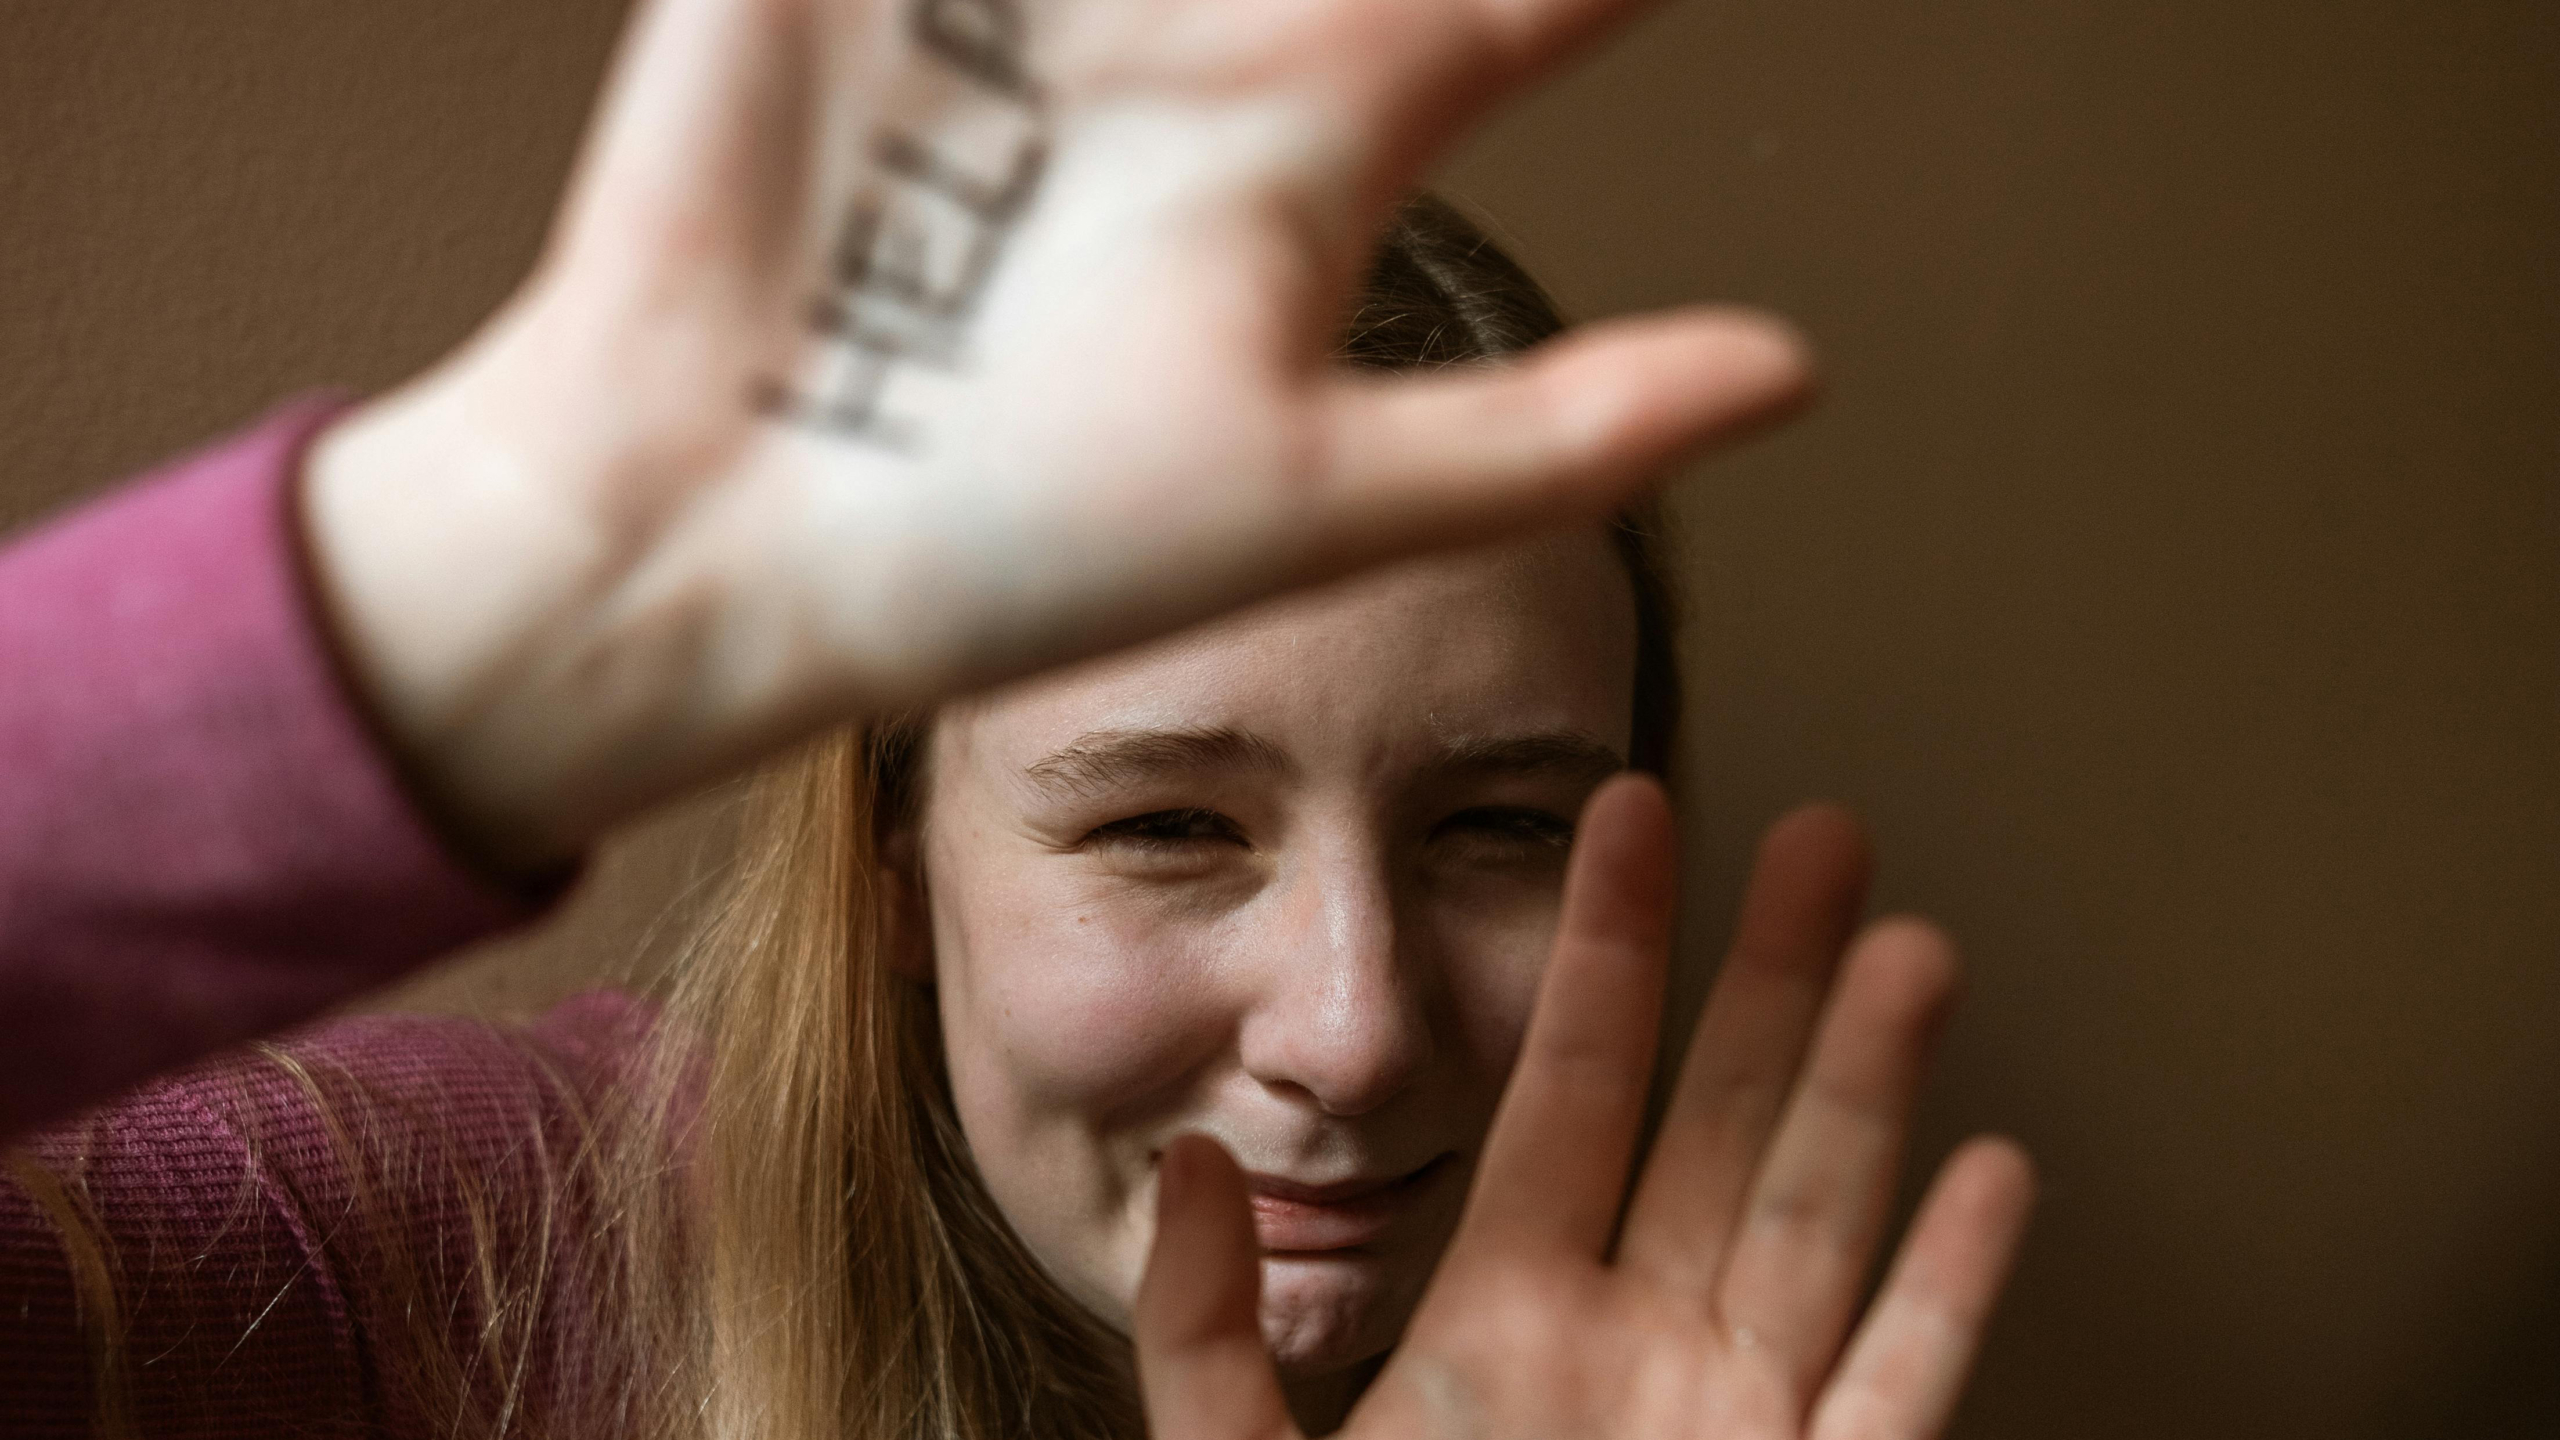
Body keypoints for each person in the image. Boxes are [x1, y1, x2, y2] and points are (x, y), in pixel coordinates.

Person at [0, 1, 2033, 1438]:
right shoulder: (414, 1272)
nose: (1356, 1032)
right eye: (1163, 825)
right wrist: (456, 600)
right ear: (892, 858)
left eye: (1499, 831)